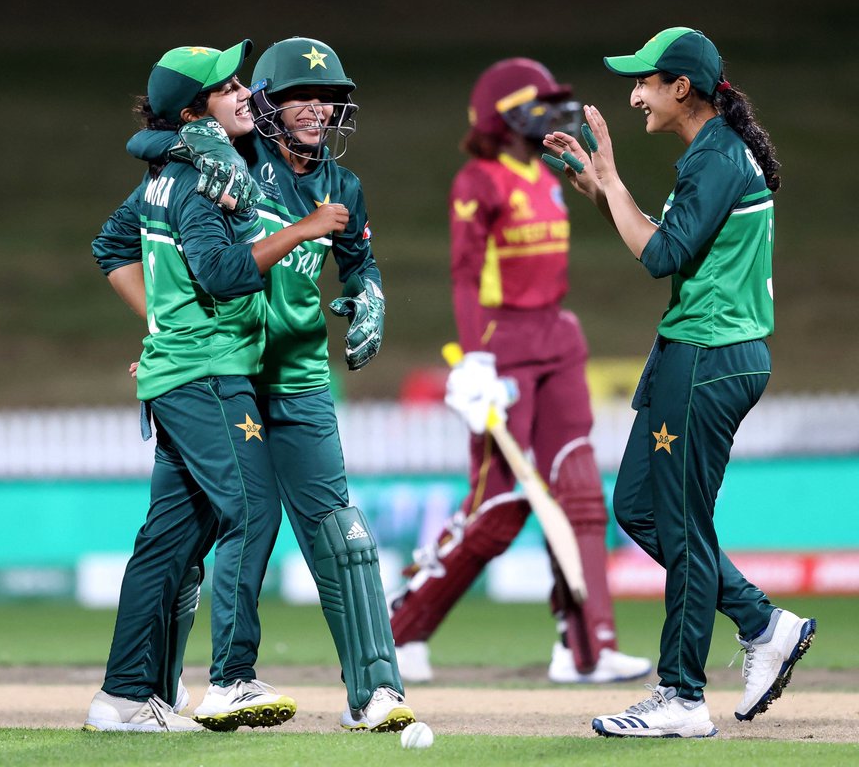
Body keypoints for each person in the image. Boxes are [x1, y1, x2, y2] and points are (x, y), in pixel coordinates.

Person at [129, 36, 415, 733]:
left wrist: (371, 294)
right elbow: (140, 180)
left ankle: (376, 693)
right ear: (265, 106)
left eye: (328, 97)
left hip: (299, 379)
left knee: (342, 533)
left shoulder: (342, 187)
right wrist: (162, 327)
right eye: (299, 97)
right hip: (227, 379)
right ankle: (160, 694)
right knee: (208, 537)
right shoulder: (231, 160)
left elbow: (359, 263)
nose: (317, 108)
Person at [542, 26, 815, 738]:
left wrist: (612, 179)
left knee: (684, 527)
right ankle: (762, 624)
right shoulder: (716, 151)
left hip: (708, 357)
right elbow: (671, 246)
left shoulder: (716, 157)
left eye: (644, 82)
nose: (634, 95)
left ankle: (682, 697)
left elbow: (661, 256)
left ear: (681, 88)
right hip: (699, 355)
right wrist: (600, 191)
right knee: (640, 507)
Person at [85, 41, 350, 733]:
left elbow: (111, 245)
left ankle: (121, 698)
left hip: (184, 369)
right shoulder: (203, 177)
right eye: (226, 86)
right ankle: (231, 680)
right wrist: (305, 229)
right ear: (193, 108)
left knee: (169, 542)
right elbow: (223, 273)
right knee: (251, 510)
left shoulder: (172, 171)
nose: (244, 93)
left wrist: (160, 326)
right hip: (207, 375)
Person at [386, 58, 652, 687]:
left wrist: (602, 182)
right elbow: (464, 273)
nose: (552, 114)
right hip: (503, 347)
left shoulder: (546, 177)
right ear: (502, 117)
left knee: (581, 491)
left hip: (558, 338)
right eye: (537, 104)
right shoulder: (478, 181)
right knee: (499, 504)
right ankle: (397, 632)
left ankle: (589, 649)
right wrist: (475, 357)